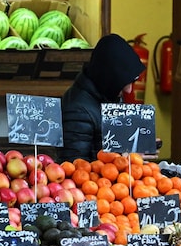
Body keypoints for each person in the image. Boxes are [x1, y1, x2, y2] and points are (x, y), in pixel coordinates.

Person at [59, 33, 146, 162]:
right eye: (122, 83)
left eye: (132, 82)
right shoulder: (77, 110)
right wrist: (122, 159)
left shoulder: (108, 93)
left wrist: (135, 143)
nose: (129, 90)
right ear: (107, 78)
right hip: (98, 180)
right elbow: (75, 167)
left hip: (119, 179)